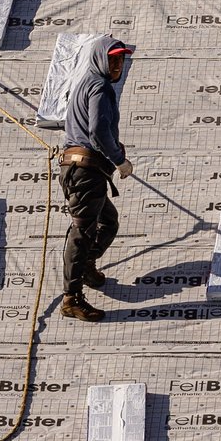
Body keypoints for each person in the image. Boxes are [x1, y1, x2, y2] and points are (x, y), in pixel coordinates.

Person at [56, 35, 135, 323]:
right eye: (112, 59)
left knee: (108, 222)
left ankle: (87, 265)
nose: (117, 65)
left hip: (83, 169)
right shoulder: (99, 87)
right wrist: (120, 160)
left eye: (121, 59)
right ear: (101, 59)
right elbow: (98, 132)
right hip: (86, 171)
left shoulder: (86, 83)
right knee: (82, 232)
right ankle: (71, 299)